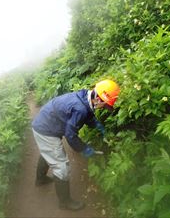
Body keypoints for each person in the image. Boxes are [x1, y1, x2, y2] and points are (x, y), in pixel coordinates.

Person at [31, 79, 120, 211]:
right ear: (99, 99)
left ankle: (41, 179)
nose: (105, 108)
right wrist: (85, 149)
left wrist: (97, 125)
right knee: (61, 165)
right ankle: (65, 202)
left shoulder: (84, 96)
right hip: (46, 130)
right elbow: (70, 135)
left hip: (43, 123)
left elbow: (87, 113)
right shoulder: (81, 108)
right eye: (105, 105)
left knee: (48, 152)